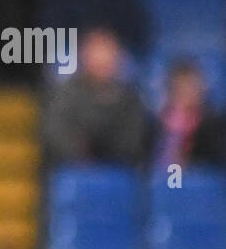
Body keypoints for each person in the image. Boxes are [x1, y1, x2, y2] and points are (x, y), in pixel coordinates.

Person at [42, 26, 149, 165]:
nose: (102, 59)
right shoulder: (64, 94)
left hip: (120, 171)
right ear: (84, 55)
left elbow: (134, 141)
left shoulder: (130, 98)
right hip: (73, 172)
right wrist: (83, 152)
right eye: (97, 52)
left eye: (108, 52)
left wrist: (106, 148)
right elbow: (55, 135)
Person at [154, 59, 226, 170]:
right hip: (161, 183)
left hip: (198, 182)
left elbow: (212, 162)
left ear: (200, 90)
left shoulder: (213, 125)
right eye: (178, 87)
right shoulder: (156, 123)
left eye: (188, 87)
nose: (183, 92)